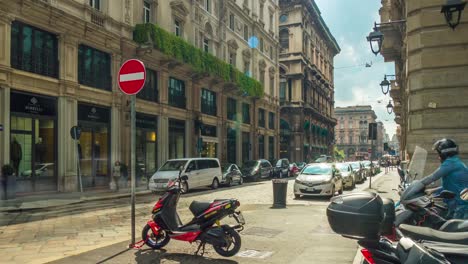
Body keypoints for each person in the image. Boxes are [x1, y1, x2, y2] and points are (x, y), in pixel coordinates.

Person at [420, 139, 468, 219]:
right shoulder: (456, 162)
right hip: (457, 203)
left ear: (444, 153)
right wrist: (433, 190)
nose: (438, 157)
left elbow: (432, 177)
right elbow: (452, 185)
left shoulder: (450, 163)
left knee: (451, 230)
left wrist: (416, 185)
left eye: (438, 153)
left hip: (460, 207)